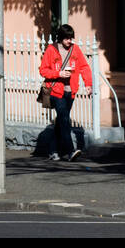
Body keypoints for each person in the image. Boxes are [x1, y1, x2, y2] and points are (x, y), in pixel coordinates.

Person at [39, 24, 93, 162]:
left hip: (71, 92)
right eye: (67, 38)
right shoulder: (51, 50)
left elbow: (84, 67)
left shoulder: (75, 50)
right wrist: (59, 73)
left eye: (71, 38)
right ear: (61, 37)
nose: (70, 41)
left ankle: (53, 150)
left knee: (61, 121)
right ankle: (70, 151)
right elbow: (43, 70)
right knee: (64, 119)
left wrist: (88, 84)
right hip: (56, 91)